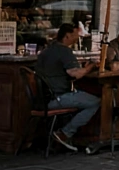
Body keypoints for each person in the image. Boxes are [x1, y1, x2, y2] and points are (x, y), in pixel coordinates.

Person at [36, 23, 99, 153]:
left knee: (82, 96)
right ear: (67, 36)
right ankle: (65, 133)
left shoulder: (47, 50)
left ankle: (67, 135)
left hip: (42, 98)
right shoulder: (64, 51)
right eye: (75, 35)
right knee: (96, 102)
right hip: (57, 98)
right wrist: (91, 66)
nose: (78, 38)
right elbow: (76, 74)